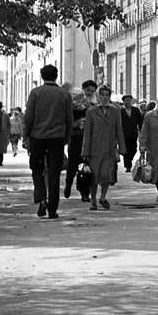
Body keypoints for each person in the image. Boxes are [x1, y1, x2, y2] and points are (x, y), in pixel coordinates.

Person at [24, 64, 74, 220]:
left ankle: (42, 200)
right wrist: (67, 137)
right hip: (57, 138)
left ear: (42, 76)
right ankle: (52, 210)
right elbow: (69, 118)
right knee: (54, 173)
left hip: (37, 137)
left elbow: (29, 117)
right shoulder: (64, 94)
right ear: (56, 76)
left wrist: (27, 136)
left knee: (37, 170)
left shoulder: (35, 93)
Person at [82, 84, 126, 210]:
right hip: (94, 149)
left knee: (107, 175)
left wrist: (122, 147)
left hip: (109, 148)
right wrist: (85, 151)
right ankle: (93, 200)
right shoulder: (91, 111)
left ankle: (103, 197)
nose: (104, 98)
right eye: (102, 95)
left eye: (107, 95)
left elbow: (119, 129)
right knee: (94, 176)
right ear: (98, 96)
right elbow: (87, 133)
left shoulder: (115, 110)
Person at [64, 80, 95, 202]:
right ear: (83, 89)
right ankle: (68, 184)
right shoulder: (73, 103)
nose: (89, 93)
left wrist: (90, 108)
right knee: (73, 164)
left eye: (92, 91)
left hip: (89, 138)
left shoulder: (93, 104)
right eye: (88, 90)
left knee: (86, 166)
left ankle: (84, 193)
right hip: (75, 137)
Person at [119, 94, 142, 172]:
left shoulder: (136, 110)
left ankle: (129, 159)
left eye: (129, 100)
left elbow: (140, 121)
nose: (128, 102)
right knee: (126, 150)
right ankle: (128, 165)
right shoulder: (121, 111)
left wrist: (141, 130)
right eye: (126, 100)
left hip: (133, 133)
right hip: (124, 134)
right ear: (123, 102)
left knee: (134, 149)